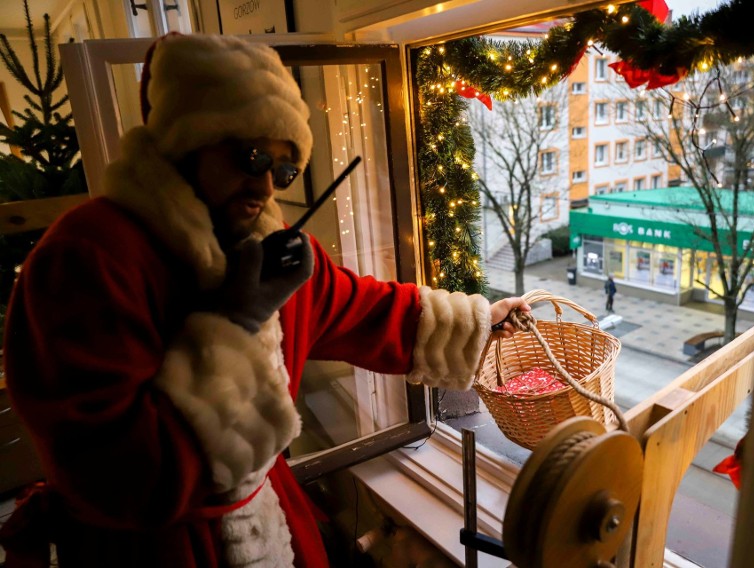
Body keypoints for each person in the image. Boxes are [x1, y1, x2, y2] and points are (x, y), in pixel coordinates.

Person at [0, 34, 530, 568]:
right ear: (186, 139)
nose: (264, 187)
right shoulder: (87, 257)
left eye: (282, 170)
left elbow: (364, 309)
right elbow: (120, 473)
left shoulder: (264, 246)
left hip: (267, 526)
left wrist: (482, 321)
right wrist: (236, 322)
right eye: (250, 157)